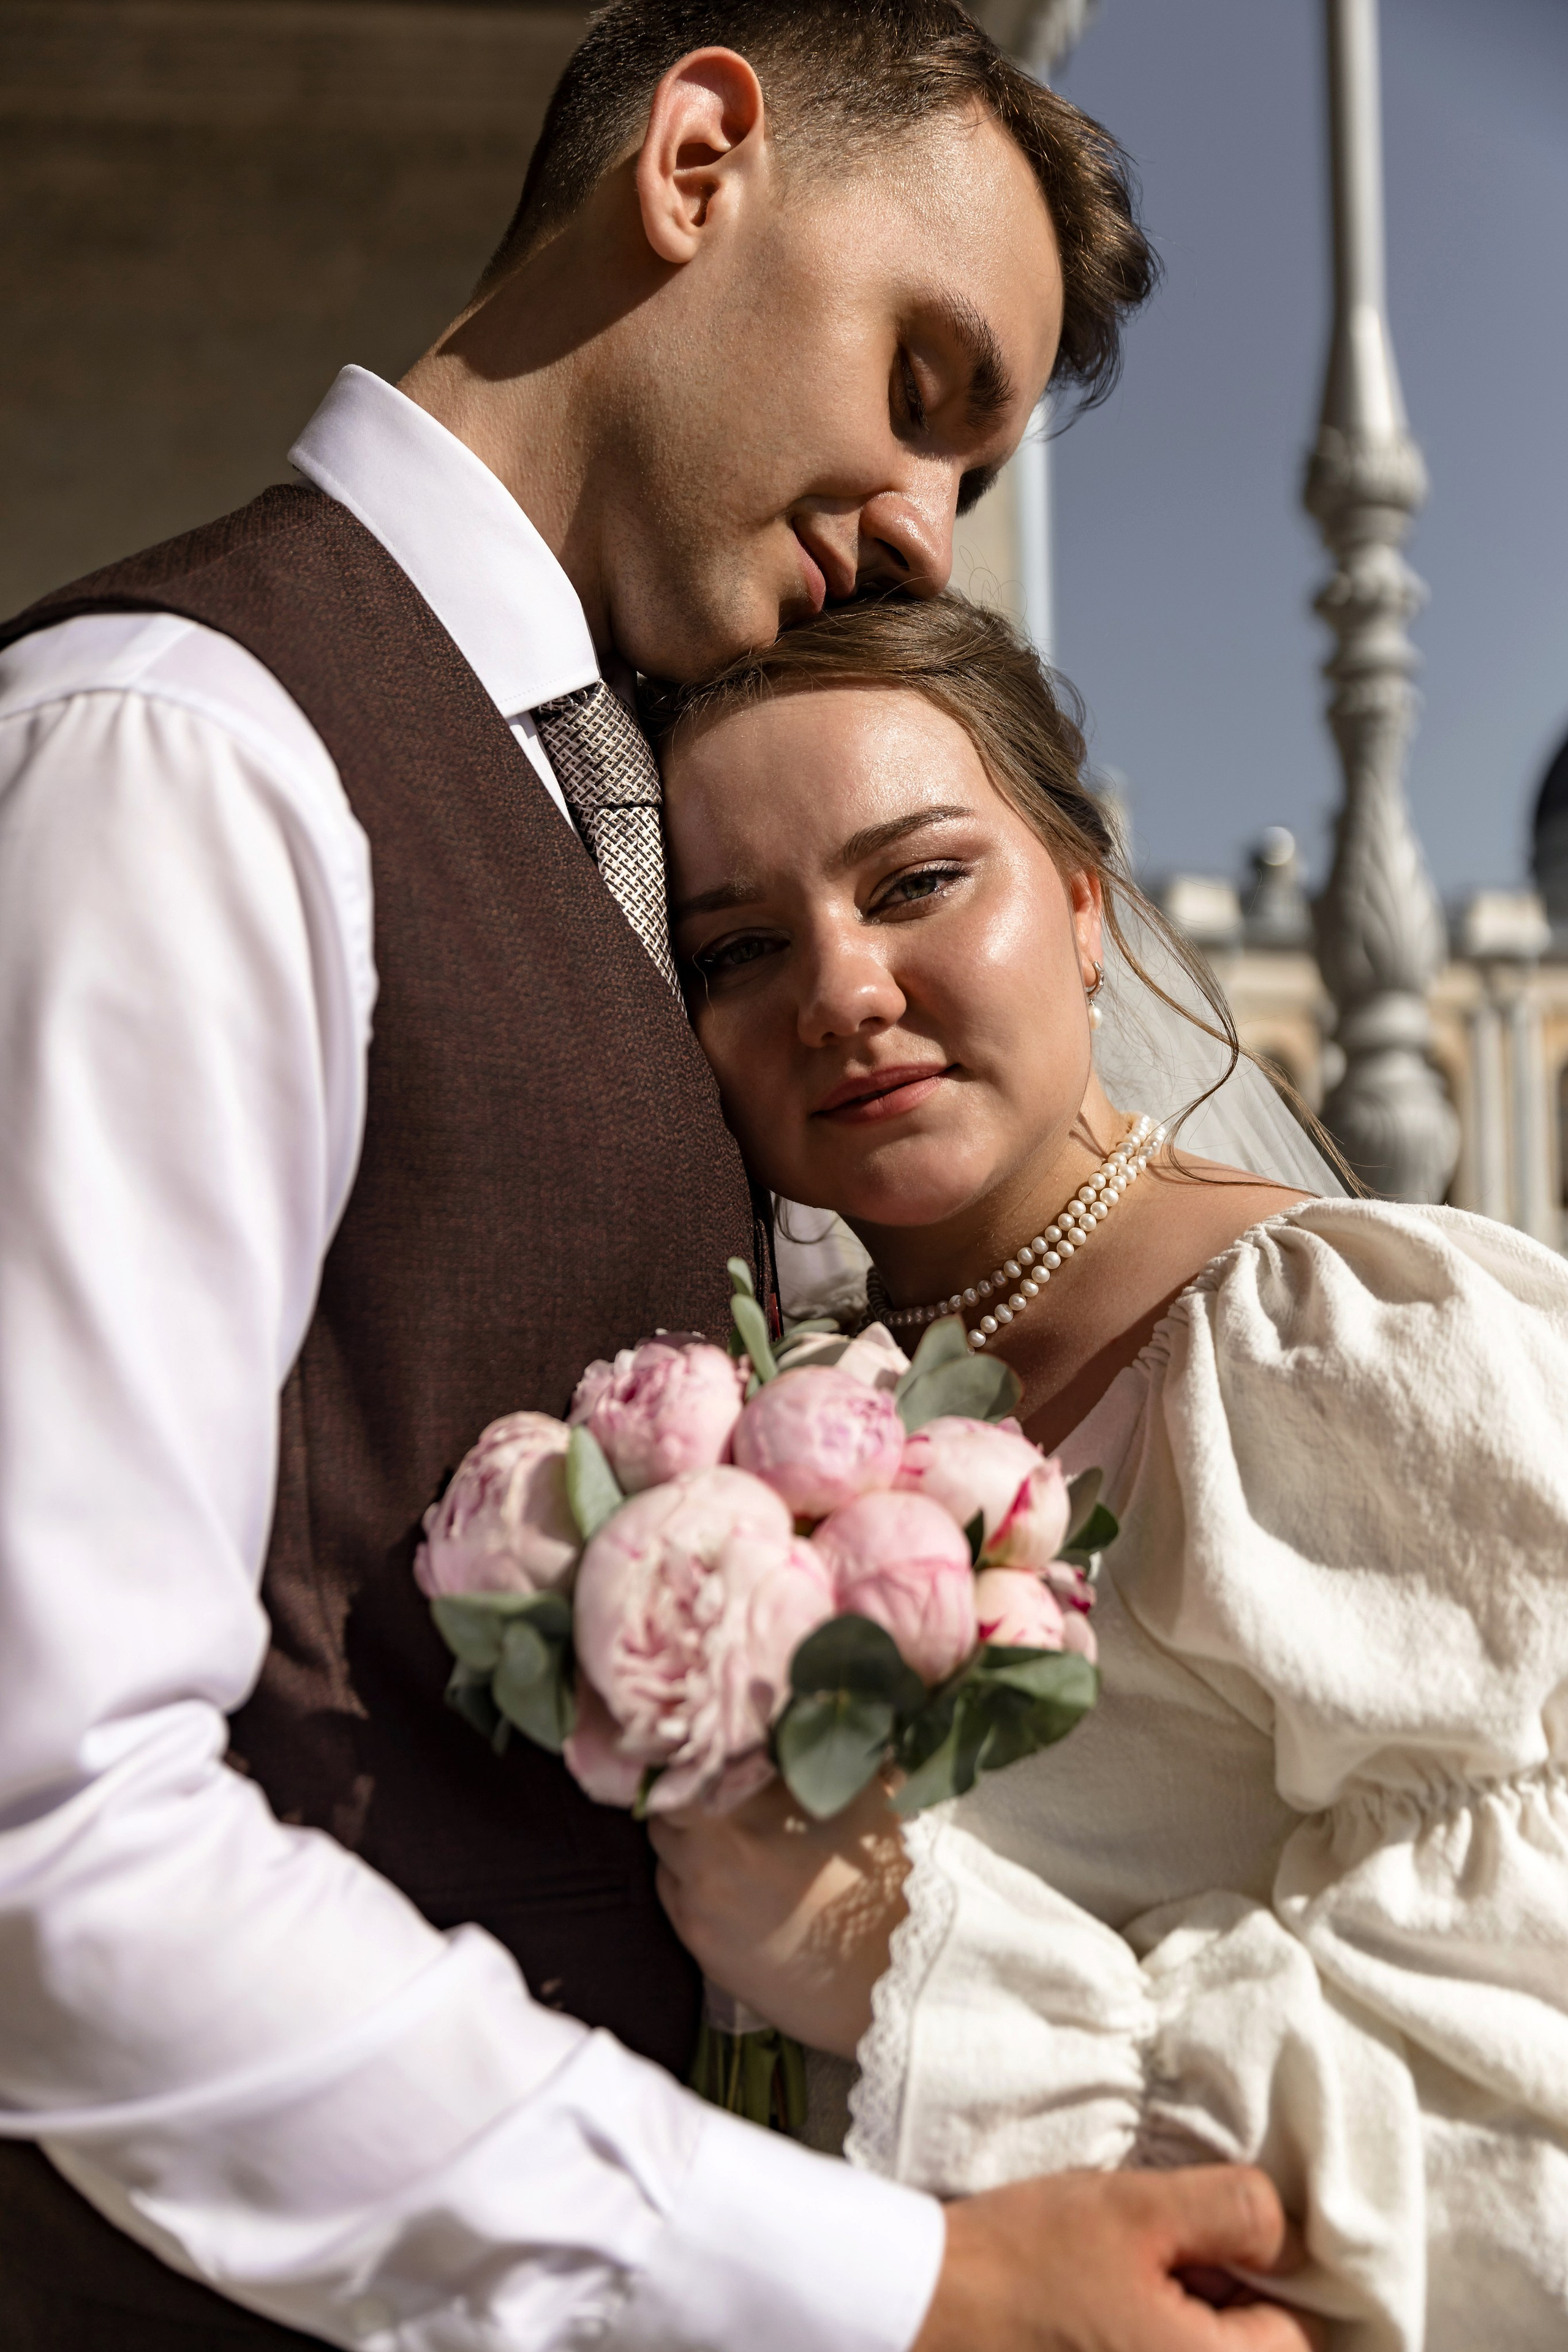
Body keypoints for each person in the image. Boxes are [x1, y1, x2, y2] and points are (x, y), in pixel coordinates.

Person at [0, 4, 1317, 2349]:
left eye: (975, 473)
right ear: (702, 157)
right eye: (923, 380)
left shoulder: (624, 825)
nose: (925, 526)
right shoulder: (181, 751)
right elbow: (48, 1834)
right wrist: (892, 2288)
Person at [645, 590, 1568, 2350]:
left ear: (1083, 901)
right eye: (738, 950)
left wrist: (897, 1963)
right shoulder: (780, 1416)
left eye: (916, 882)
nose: (842, 988)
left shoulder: (1362, 1357)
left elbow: (1522, 2134)